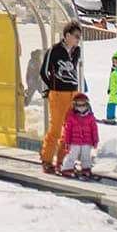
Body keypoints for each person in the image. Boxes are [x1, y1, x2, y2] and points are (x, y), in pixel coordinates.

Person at [38, 21, 83, 172]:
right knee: (56, 129)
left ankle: (63, 160)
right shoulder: (55, 50)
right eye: (76, 36)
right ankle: (46, 159)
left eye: (79, 36)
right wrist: (52, 87)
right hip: (58, 94)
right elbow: (43, 71)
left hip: (73, 94)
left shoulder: (77, 51)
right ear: (67, 35)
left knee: (71, 129)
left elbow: (74, 71)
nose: (78, 39)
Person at [59, 92, 101, 180]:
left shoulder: (90, 117)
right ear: (75, 105)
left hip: (87, 141)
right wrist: (67, 142)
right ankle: (67, 168)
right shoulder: (71, 117)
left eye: (83, 105)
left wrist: (95, 140)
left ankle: (86, 169)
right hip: (74, 142)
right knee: (72, 155)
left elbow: (94, 129)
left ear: (87, 105)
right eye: (79, 105)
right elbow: (68, 130)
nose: (81, 107)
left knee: (86, 156)